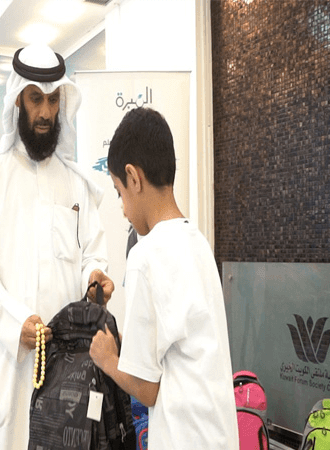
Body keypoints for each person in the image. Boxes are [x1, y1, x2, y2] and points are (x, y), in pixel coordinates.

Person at [0, 43, 114, 450]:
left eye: (53, 100)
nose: (46, 112)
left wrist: (95, 277)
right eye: (36, 100)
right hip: (14, 366)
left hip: (70, 367)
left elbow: (93, 254)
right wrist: (17, 323)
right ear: (19, 100)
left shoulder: (78, 182)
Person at [89, 107, 239, 449]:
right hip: (218, 435)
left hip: (182, 438)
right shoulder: (196, 242)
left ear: (133, 177)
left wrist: (108, 360)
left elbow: (147, 388)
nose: (124, 209)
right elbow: (180, 342)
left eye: (118, 192)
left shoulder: (145, 255)